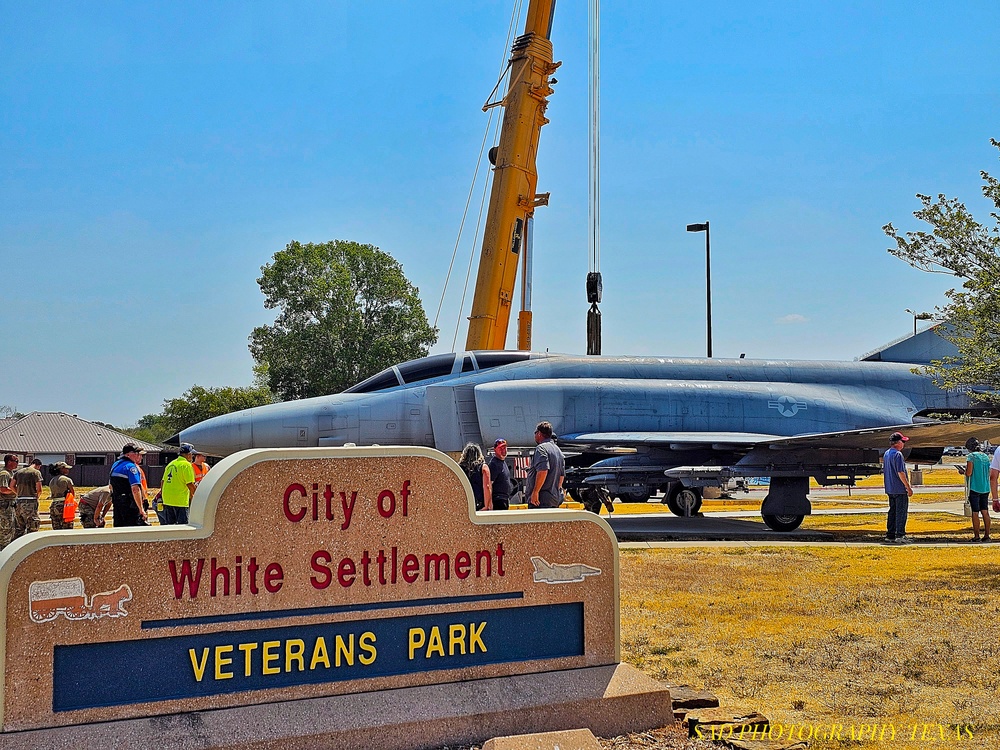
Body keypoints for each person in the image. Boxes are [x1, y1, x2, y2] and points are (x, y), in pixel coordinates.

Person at [525, 421, 566, 509]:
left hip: (540, 500)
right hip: (553, 499)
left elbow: (543, 471)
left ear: (539, 433)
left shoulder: (541, 448)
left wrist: (535, 492)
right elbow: (561, 477)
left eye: (535, 433)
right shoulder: (558, 450)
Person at [883, 432, 913, 544]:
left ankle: (890, 534)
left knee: (892, 511)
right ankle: (900, 535)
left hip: (890, 488)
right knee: (901, 512)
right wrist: (908, 487)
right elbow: (901, 472)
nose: (904, 444)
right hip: (899, 489)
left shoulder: (887, 453)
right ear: (897, 443)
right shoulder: (898, 455)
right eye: (903, 441)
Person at [109, 444, 148, 527]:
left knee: (119, 529)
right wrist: (141, 509)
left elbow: (110, 486)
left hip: (117, 503)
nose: (138, 455)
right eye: (136, 453)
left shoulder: (115, 465)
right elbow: (135, 489)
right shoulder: (131, 467)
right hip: (130, 506)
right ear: (127, 454)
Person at [161, 443, 197, 524]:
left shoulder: (171, 464)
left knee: (170, 525)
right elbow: (190, 484)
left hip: (167, 499)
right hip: (180, 500)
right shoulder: (186, 465)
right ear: (188, 455)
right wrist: (197, 497)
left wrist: (163, 496)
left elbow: (162, 482)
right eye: (192, 454)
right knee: (182, 526)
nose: (192, 457)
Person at [964, 438, 991, 542]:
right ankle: (987, 535)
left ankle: (976, 536)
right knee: (985, 511)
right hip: (985, 487)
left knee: (975, 512)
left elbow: (969, 473)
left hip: (975, 487)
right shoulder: (985, 456)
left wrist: (964, 472)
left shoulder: (971, 456)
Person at [12, 458, 43, 539]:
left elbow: (11, 486)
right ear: (38, 465)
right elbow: (39, 489)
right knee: (32, 527)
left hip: (19, 501)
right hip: (31, 501)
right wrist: (37, 497)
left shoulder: (18, 472)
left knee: (19, 528)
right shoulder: (36, 473)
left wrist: (18, 493)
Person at [458, 443, 492, 511]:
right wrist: (486, 506)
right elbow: (487, 486)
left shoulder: (459, 468)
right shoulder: (483, 468)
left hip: (464, 504)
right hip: (479, 504)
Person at [47, 461, 76, 530]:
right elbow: (72, 493)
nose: (68, 470)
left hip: (53, 505)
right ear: (61, 469)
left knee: (56, 527)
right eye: (66, 468)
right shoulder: (66, 479)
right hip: (64, 505)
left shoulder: (52, 480)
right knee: (67, 527)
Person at [488, 438, 512, 511]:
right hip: (498, 501)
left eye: (505, 448)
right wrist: (489, 503)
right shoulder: (494, 464)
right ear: (495, 450)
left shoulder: (502, 462)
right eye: (501, 448)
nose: (503, 450)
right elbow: (489, 485)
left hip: (504, 500)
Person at [0, 455, 18, 549]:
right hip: (5, 506)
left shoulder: (11, 473)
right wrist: (16, 490)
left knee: (12, 528)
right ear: (9, 462)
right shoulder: (4, 473)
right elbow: (3, 489)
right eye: (16, 461)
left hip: (11, 505)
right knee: (5, 530)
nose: (17, 463)